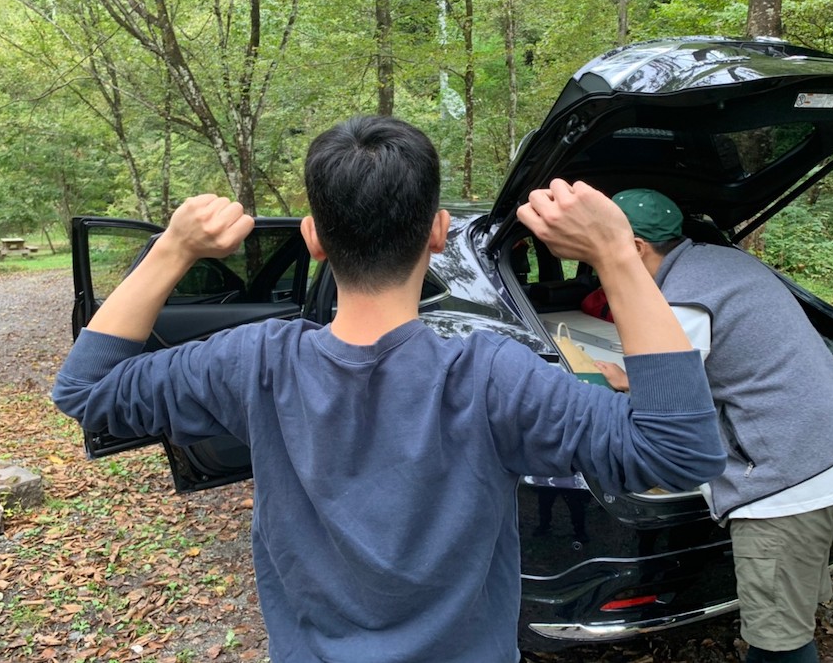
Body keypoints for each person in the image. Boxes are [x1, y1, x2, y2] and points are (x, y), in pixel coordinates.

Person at [51, 117, 725, 663]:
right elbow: (679, 452)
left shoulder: (255, 362)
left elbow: (85, 389)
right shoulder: (493, 376)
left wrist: (172, 249)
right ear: (438, 232)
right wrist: (615, 256)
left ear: (314, 239)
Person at [581, 188, 833, 663]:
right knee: (794, 596)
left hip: (784, 487)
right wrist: (637, 378)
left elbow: (670, 409)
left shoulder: (681, 302)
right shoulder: (719, 260)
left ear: (634, 247)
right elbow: (715, 363)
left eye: (597, 251)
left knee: (777, 642)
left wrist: (621, 391)